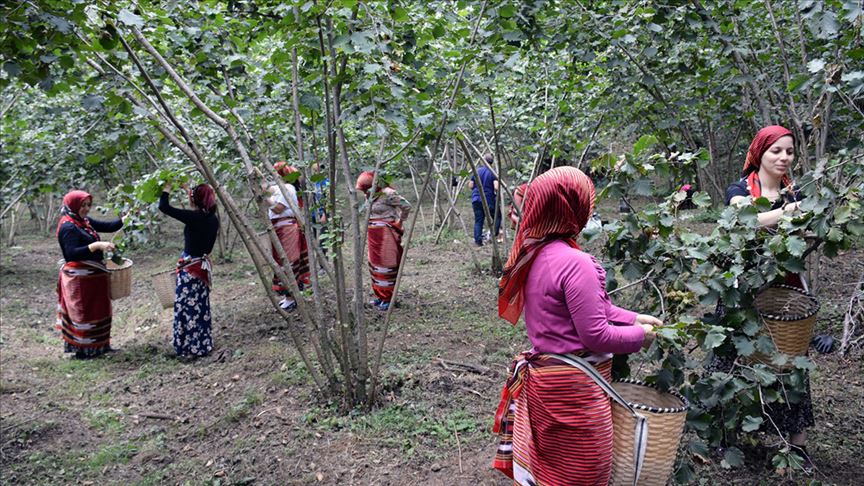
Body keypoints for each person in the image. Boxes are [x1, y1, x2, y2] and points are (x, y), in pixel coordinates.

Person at [492, 167, 661, 484]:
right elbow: (596, 334)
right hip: (576, 393)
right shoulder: (576, 262)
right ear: (573, 207)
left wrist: (634, 318)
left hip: (547, 384)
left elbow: (593, 307)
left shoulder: (538, 254)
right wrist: (642, 337)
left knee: (555, 468)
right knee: (585, 472)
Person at [56, 190, 124, 358]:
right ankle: (84, 351)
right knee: (84, 314)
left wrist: (128, 218)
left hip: (94, 277)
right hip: (80, 280)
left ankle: (101, 347)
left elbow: (109, 226)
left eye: (88, 205)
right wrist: (96, 246)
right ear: (73, 205)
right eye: (82, 205)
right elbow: (71, 254)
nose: (86, 209)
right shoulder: (68, 226)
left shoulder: (83, 221)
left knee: (99, 310)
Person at [159, 183, 219, 359]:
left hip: (190, 270)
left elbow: (164, 207)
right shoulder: (212, 219)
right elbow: (200, 201)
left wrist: (167, 189)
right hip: (201, 268)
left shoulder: (194, 218)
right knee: (200, 306)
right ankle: (202, 343)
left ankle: (189, 347)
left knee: (186, 307)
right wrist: (189, 189)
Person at [356, 171, 411, 311]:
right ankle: (380, 295)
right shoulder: (369, 195)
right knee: (374, 265)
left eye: (366, 188)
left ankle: (388, 298)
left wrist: (400, 221)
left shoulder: (388, 193)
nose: (365, 192)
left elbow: (406, 206)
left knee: (386, 265)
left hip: (386, 234)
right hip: (373, 234)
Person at [267, 162, 311, 310]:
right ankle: (290, 296)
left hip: (286, 229)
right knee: (283, 261)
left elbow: (279, 209)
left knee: (288, 262)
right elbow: (269, 190)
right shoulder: (282, 188)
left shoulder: (288, 188)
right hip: (281, 229)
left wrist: (266, 200)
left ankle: (292, 297)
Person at [468, 154, 501, 246]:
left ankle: (478, 241)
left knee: (479, 220)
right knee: (497, 217)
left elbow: (470, 185)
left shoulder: (477, 171)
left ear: (483, 161)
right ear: (492, 162)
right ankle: (494, 235)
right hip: (488, 199)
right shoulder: (493, 172)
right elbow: (496, 187)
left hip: (476, 199)